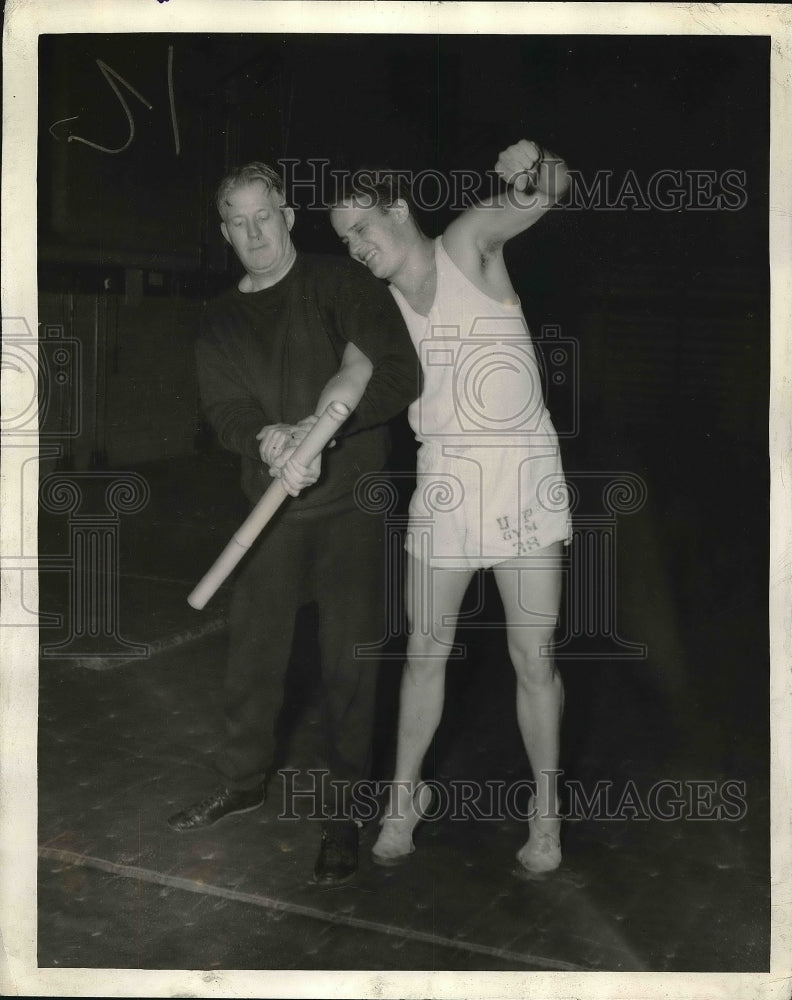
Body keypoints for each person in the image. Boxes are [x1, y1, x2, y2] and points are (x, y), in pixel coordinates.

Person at [168, 162, 421, 887]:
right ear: (225, 232)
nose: (253, 233)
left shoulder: (340, 286)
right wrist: (270, 440)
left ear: (286, 215)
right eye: (237, 223)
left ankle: (344, 813)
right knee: (252, 658)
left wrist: (322, 431)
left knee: (350, 667)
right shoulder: (218, 318)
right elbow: (224, 410)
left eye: (262, 216)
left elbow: (398, 374)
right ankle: (243, 780)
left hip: (352, 510)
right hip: (268, 511)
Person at [330, 139, 572, 873]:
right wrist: (302, 434)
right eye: (345, 242)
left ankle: (547, 809)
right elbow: (347, 377)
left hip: (523, 475)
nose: (358, 249)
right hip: (445, 486)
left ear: (398, 210)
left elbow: (551, 189)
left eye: (363, 229)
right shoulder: (378, 310)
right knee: (424, 653)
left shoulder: (469, 245)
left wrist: (537, 163)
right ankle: (405, 802)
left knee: (532, 656)